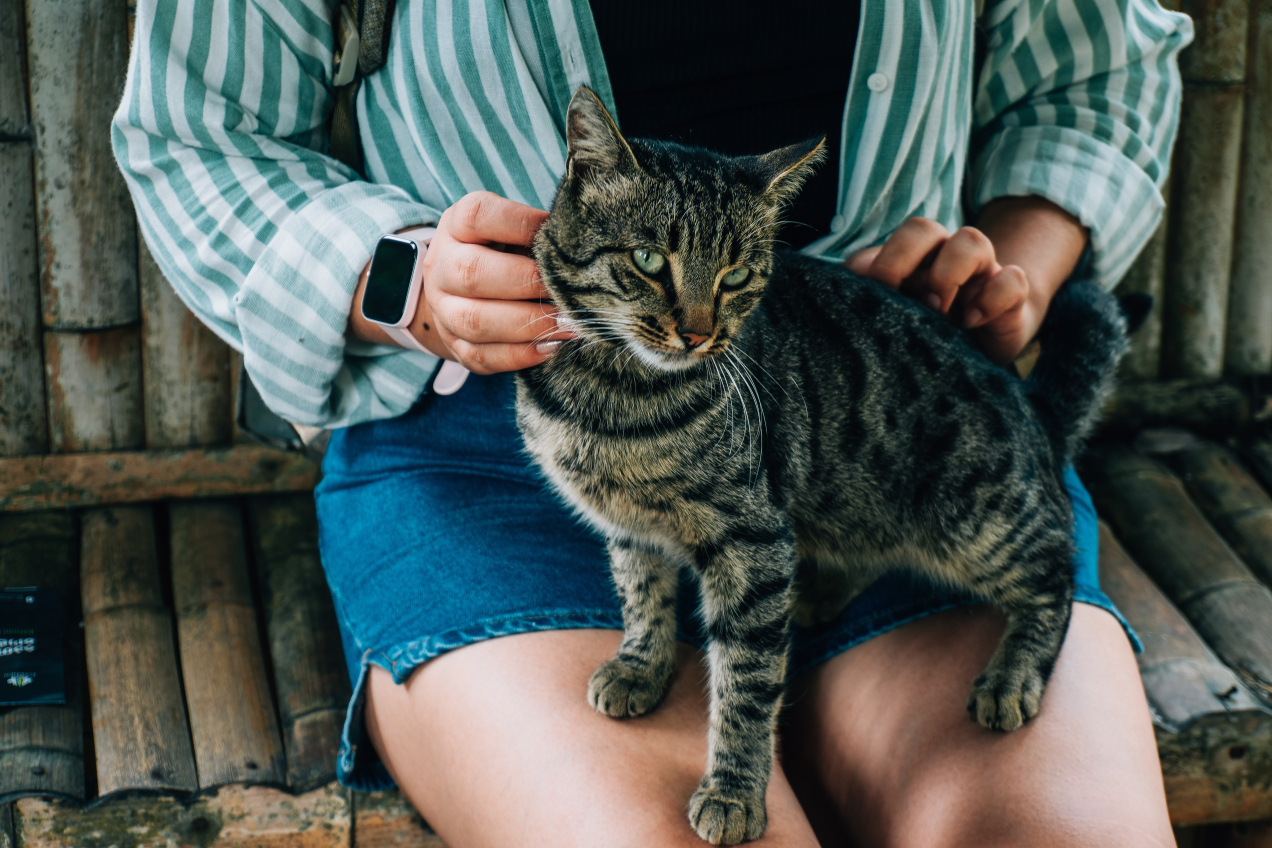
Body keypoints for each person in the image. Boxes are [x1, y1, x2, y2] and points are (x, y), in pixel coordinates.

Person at [114, 1, 1193, 844]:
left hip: (884, 403)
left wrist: (1010, 267)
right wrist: (405, 277)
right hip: (490, 414)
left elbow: (1093, 76)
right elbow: (199, 132)